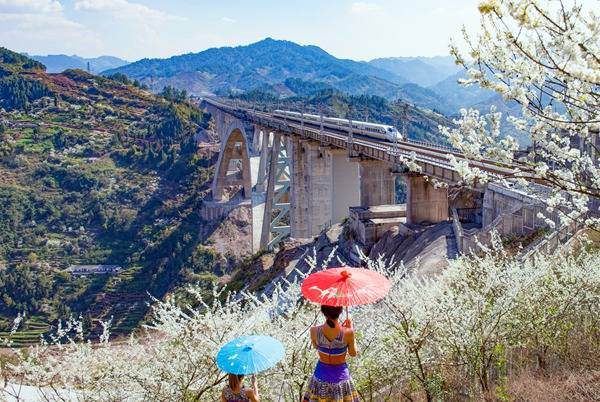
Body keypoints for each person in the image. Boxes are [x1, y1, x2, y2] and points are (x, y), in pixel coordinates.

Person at [303, 305, 360, 402]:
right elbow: (353, 353)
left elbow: (316, 346)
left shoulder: (314, 331)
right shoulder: (348, 333)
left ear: (323, 312)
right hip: (340, 379)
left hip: (320, 376)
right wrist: (351, 331)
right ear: (340, 312)